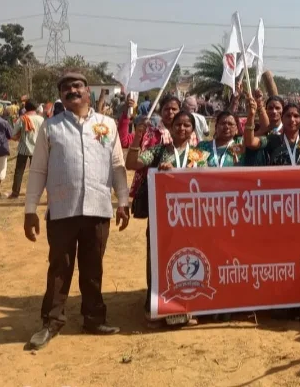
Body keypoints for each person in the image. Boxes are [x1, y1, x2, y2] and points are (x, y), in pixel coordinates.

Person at [24, 72, 130, 350]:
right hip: (62, 210)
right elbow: (38, 170)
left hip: (98, 208)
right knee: (60, 267)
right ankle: (51, 322)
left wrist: (123, 200)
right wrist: (30, 209)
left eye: (77, 86)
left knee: (93, 266)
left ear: (87, 91)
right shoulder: (51, 127)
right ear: (60, 95)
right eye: (66, 88)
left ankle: (94, 319)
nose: (72, 90)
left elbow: (117, 165)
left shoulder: (107, 125)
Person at [125, 110, 209, 327]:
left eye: (187, 125)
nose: (182, 128)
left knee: (189, 259)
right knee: (157, 259)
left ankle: (187, 307)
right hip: (161, 217)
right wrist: (137, 137)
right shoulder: (158, 150)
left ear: (193, 130)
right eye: (178, 125)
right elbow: (132, 164)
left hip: (190, 218)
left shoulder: (200, 155)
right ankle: (154, 307)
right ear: (170, 128)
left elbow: (206, 182)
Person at [8, 101, 46, 199]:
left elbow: (14, 135)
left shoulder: (22, 119)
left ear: (25, 108)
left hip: (23, 149)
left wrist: (18, 136)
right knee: (37, 172)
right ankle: (36, 192)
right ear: (36, 108)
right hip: (37, 149)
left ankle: (15, 193)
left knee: (19, 171)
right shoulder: (41, 119)